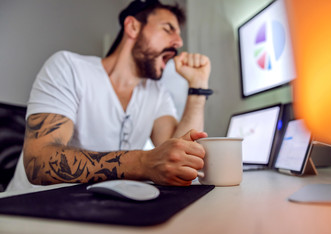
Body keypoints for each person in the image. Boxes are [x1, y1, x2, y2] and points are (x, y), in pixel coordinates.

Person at [6, 0, 212, 192]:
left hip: (101, 210)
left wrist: (198, 86)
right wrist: (143, 163)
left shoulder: (156, 93)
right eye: (168, 29)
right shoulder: (68, 68)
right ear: (132, 27)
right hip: (29, 210)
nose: (178, 42)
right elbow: (38, 163)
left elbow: (178, 156)